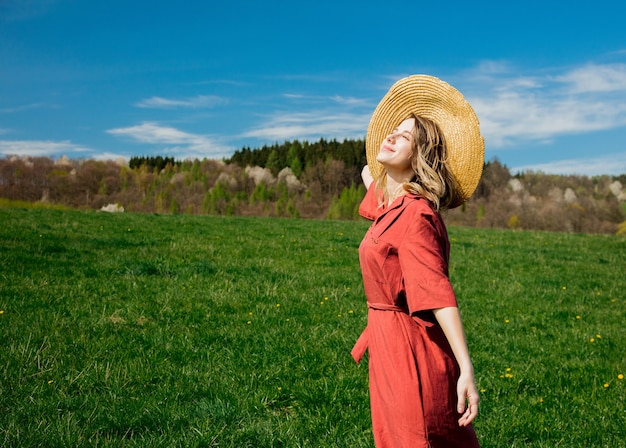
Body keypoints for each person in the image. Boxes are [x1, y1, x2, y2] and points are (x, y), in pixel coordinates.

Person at [351, 75, 485, 448]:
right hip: (389, 344)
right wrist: (374, 179)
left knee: (414, 439)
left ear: (419, 157)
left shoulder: (415, 216)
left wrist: (466, 367)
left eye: (404, 136)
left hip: (410, 353)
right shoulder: (394, 207)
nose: (390, 137)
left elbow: (437, 292)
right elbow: (382, 214)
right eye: (391, 131)